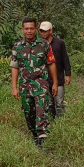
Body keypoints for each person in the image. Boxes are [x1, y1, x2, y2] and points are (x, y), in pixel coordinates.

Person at [10, 17, 58, 146]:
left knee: (41, 111)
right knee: (29, 113)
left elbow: (51, 63)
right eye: (27, 29)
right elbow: (14, 67)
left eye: (32, 28)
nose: (29, 31)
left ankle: (42, 138)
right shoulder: (18, 47)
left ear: (36, 29)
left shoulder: (44, 45)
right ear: (22, 30)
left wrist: (54, 83)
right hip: (25, 86)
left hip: (41, 84)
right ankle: (35, 135)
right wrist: (14, 87)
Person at [39, 21, 71, 118]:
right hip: (44, 78)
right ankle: (52, 121)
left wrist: (68, 74)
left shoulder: (59, 43)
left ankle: (61, 122)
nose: (43, 33)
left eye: (45, 31)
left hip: (59, 77)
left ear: (50, 31)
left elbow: (65, 58)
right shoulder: (39, 44)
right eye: (41, 31)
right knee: (49, 103)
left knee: (59, 102)